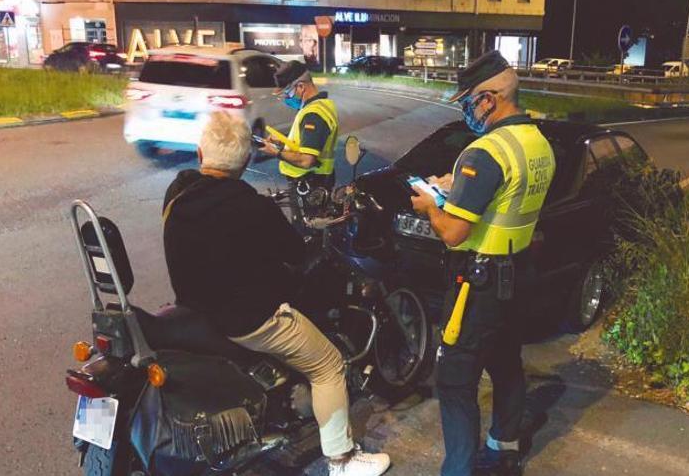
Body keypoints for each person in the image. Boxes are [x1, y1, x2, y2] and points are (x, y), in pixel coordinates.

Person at [162, 111, 390, 476]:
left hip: (194, 312)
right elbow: (296, 255)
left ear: (200, 154)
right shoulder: (253, 206)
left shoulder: (178, 194)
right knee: (328, 365)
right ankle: (342, 460)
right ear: (247, 160)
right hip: (249, 322)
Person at [409, 51, 556, 476]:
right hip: (519, 273)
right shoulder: (536, 141)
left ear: (489, 99)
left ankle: (458, 469)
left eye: (467, 101)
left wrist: (429, 207)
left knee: (455, 380)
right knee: (506, 361)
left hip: (479, 283)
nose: (466, 110)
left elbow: (454, 232)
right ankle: (504, 447)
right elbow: (509, 193)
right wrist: (456, 187)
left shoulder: (485, 151)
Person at [259, 60, 338, 227]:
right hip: (316, 181)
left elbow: (307, 160)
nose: (286, 99)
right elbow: (307, 141)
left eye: (287, 93)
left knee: (308, 231)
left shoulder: (314, 114)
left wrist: (276, 152)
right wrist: (283, 141)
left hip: (310, 185)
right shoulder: (319, 106)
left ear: (301, 87)